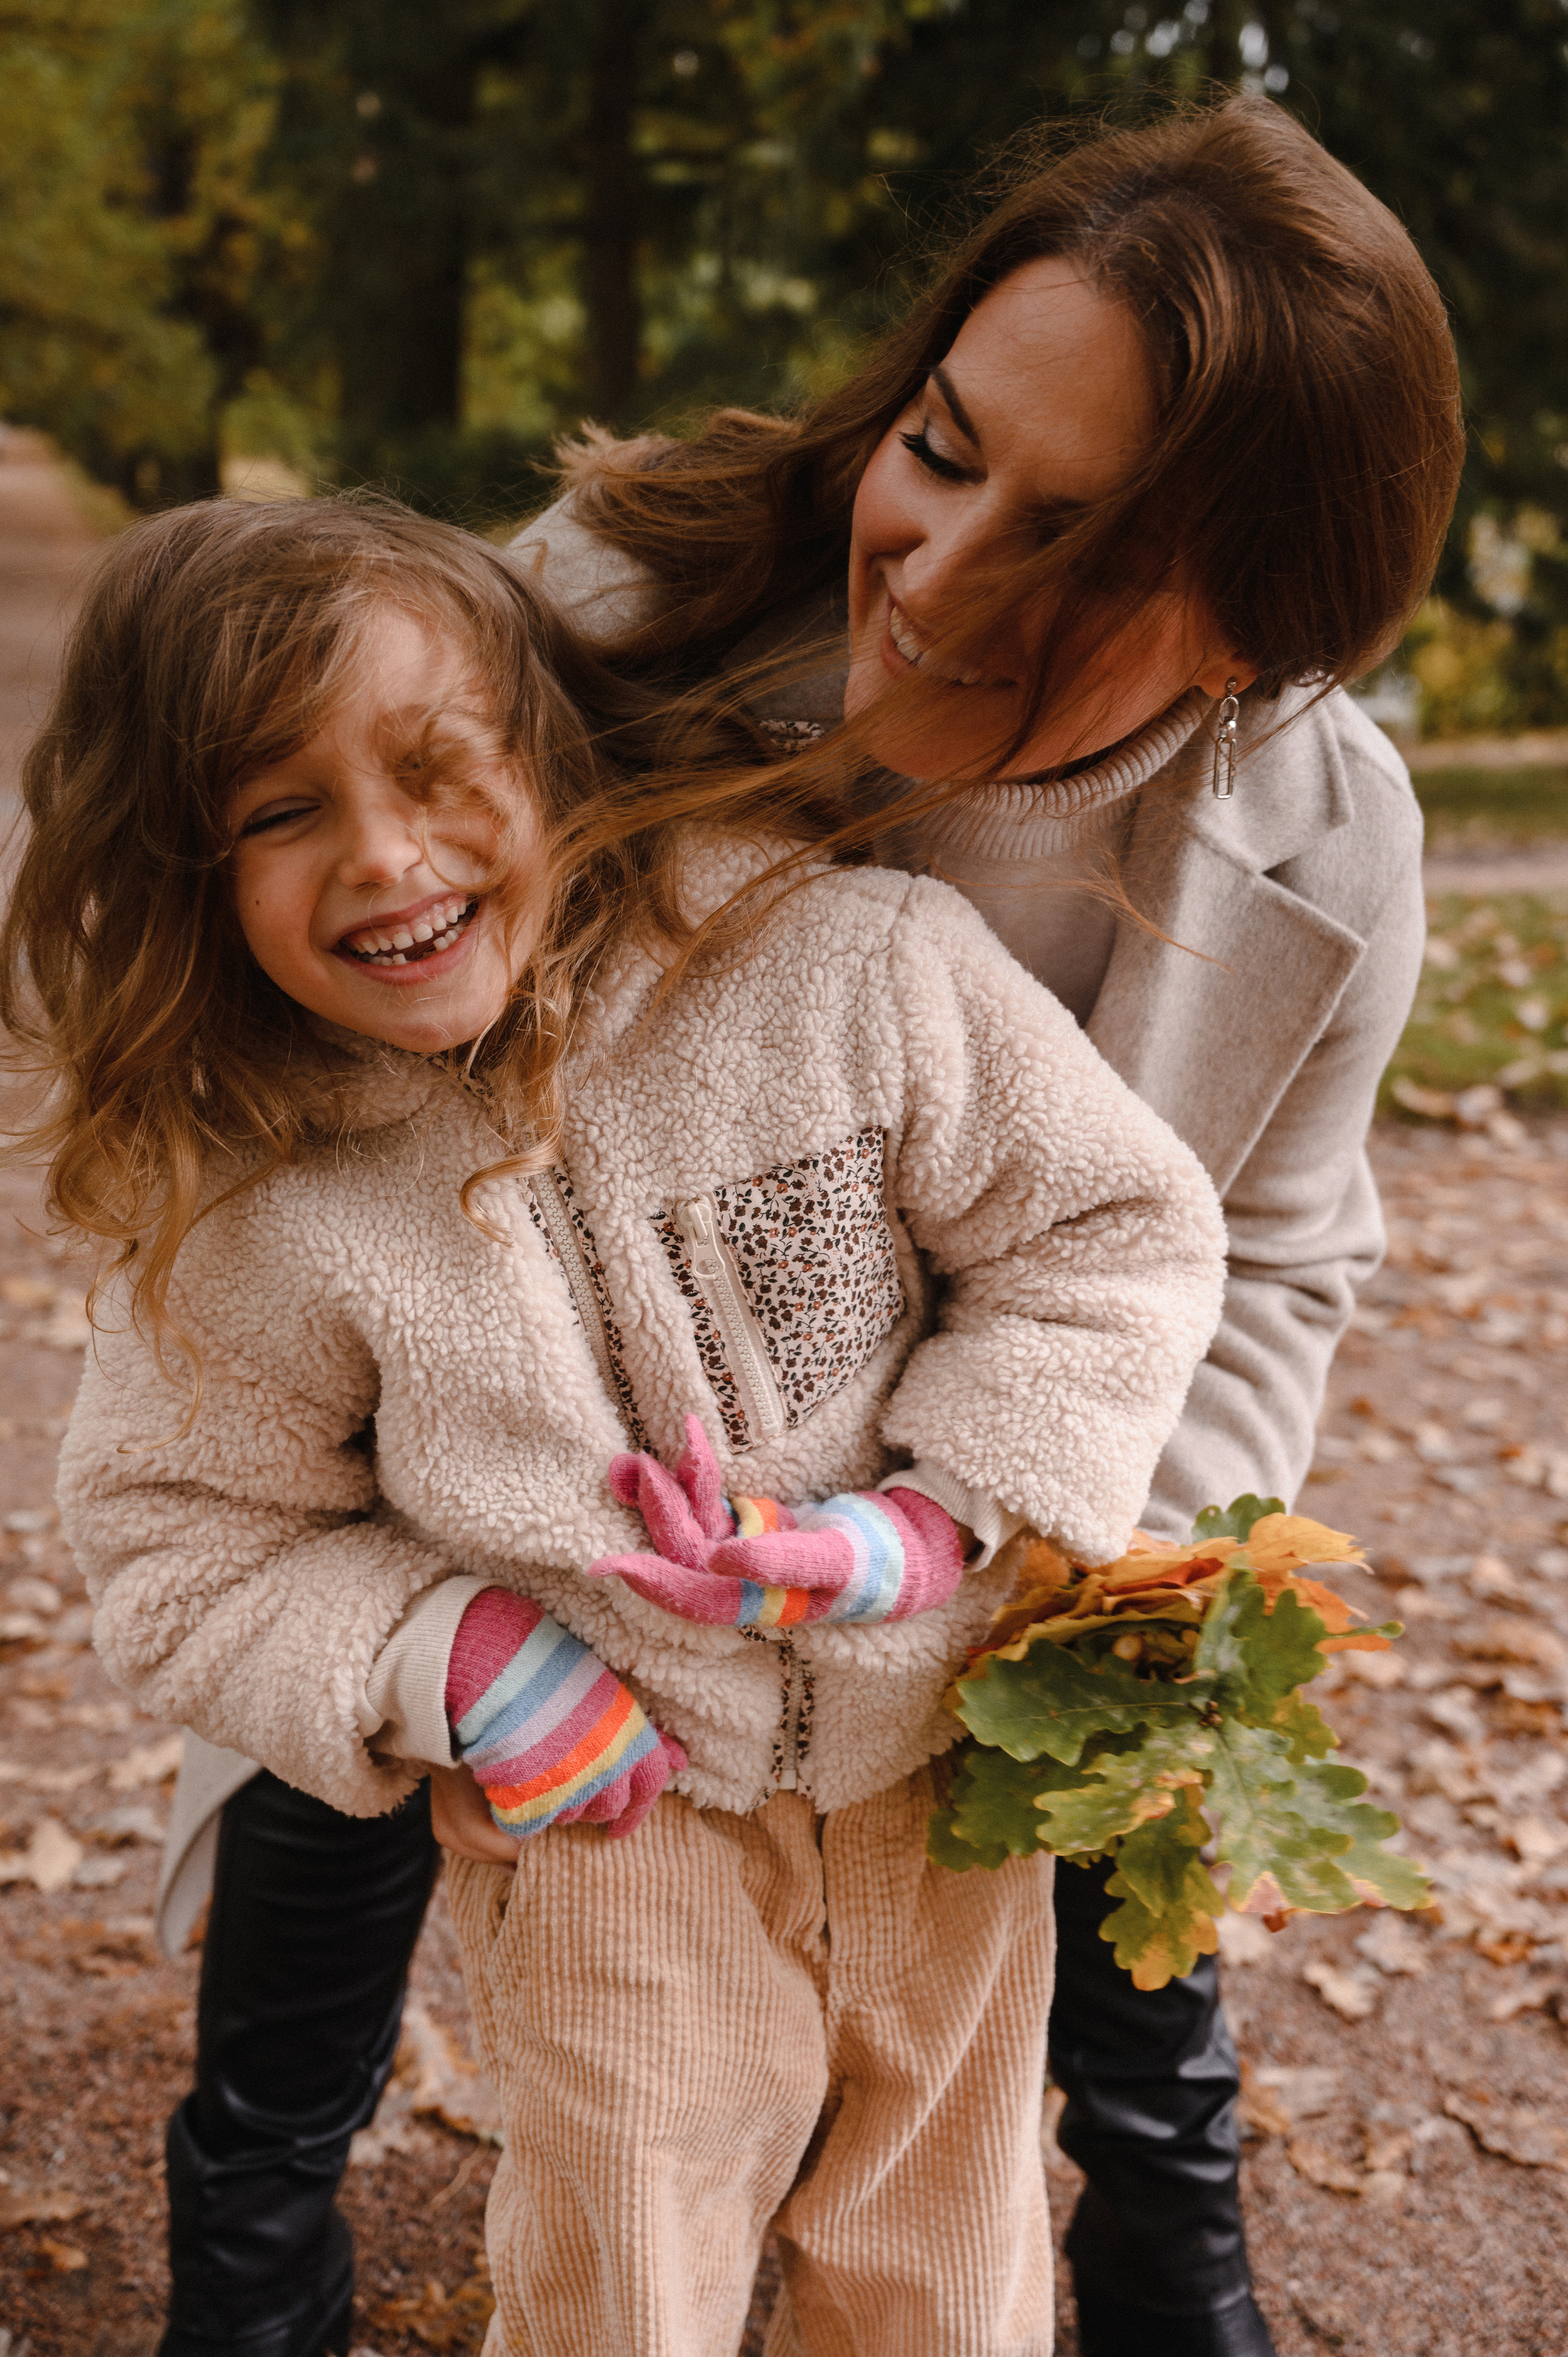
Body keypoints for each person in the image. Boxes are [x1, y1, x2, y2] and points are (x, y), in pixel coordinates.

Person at [97, 92, 1461, 2357]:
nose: (933, 564)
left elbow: (1261, 1258)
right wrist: (455, 1610)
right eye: (941, 447)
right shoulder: (594, 616)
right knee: (342, 1742)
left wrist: (1024, 1567)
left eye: (1082, 543)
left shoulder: (1329, 845)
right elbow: (284, 1044)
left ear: (1256, 626)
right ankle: (252, 2256)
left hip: (980, 1480)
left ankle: (1171, 2257)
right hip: (540, 1467)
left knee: (1081, 1857)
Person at [15, 491, 1225, 2356]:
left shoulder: (843, 971)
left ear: (549, 748)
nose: (386, 856)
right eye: (280, 812)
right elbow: (183, 1546)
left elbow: (1114, 1229)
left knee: (944, 2281)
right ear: (188, 866)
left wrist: (944, 1520)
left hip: (942, 1786)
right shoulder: (265, 1205)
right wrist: (471, 1665)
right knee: (620, 2283)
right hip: (619, 1825)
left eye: (434, 767)